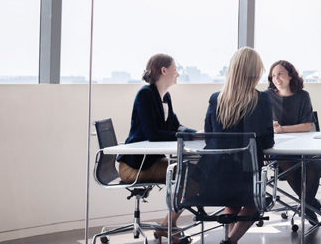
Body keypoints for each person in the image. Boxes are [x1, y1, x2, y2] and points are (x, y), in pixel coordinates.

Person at [117, 54, 196, 243]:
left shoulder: (165, 96)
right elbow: (152, 134)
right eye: (175, 69)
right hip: (135, 167)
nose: (177, 74)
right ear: (163, 70)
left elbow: (176, 126)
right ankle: (167, 226)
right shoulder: (145, 95)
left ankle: (167, 225)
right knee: (190, 174)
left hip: (150, 161)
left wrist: (197, 133)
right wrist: (185, 135)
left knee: (193, 169)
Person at [203, 47, 275, 244]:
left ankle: (228, 240)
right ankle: (230, 241)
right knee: (256, 204)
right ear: (255, 72)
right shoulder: (262, 98)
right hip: (246, 172)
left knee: (232, 199)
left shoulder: (216, 98)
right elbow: (267, 141)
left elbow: (209, 136)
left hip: (215, 173)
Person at [264, 60, 321, 223]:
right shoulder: (266, 96)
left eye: (280, 74)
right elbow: (260, 122)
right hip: (280, 149)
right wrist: (270, 124)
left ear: (290, 75)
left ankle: (306, 206)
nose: (276, 78)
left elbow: (306, 126)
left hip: (304, 146)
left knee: (315, 166)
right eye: (273, 76)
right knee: (288, 165)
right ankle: (310, 206)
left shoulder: (303, 96)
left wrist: (282, 129)